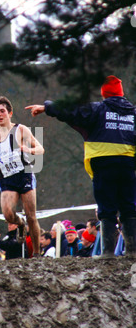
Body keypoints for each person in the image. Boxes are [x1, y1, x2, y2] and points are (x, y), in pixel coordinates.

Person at [26, 75, 136, 258]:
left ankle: (108, 253)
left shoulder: (98, 109)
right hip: (127, 165)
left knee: (107, 208)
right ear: (121, 94)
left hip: (103, 164)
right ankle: (133, 251)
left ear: (104, 94)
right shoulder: (132, 113)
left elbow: (71, 110)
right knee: (129, 207)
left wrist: (47, 107)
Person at [0, 96, 44, 257]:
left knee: (31, 216)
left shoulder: (20, 129)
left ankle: (37, 254)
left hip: (24, 175)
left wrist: (30, 150)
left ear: (10, 113)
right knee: (8, 215)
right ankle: (20, 224)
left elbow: (40, 149)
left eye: (2, 111)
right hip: (6, 178)